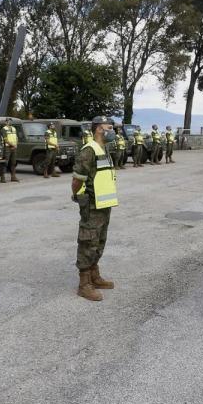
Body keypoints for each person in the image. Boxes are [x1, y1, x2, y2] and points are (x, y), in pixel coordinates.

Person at [72, 116, 119, 301]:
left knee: (99, 241)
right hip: (92, 204)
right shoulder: (88, 150)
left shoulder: (103, 149)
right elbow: (77, 180)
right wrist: (79, 197)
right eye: (110, 127)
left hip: (104, 204)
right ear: (99, 129)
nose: (112, 130)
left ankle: (94, 275)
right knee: (88, 242)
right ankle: (84, 284)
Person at [0, 118, 20, 182]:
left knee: (13, 163)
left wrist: (16, 144)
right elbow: (5, 139)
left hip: (14, 147)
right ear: (6, 122)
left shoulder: (14, 128)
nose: (9, 122)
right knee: (5, 162)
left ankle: (13, 177)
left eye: (10, 121)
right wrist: (12, 145)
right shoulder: (4, 129)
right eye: (8, 121)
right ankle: (2, 178)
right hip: (7, 148)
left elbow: (16, 137)